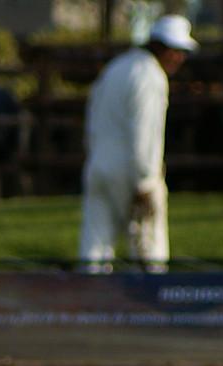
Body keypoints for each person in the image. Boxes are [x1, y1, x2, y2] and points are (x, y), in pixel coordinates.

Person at [79, 15, 196, 272]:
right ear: (160, 47)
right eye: (175, 51)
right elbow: (145, 132)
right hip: (131, 169)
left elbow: (93, 118)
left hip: (99, 164)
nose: (179, 58)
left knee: (94, 246)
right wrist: (145, 180)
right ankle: (150, 304)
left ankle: (89, 302)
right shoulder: (151, 76)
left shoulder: (116, 67)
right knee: (148, 248)